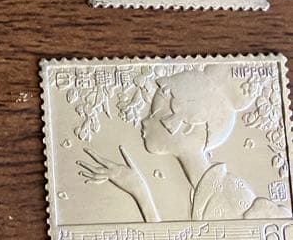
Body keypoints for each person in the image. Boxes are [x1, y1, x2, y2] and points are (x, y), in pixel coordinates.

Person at [78, 64, 289, 222]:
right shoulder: (206, 189)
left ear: (188, 124)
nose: (144, 121)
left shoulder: (230, 196)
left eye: (154, 114)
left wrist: (139, 191)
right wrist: (137, 187)